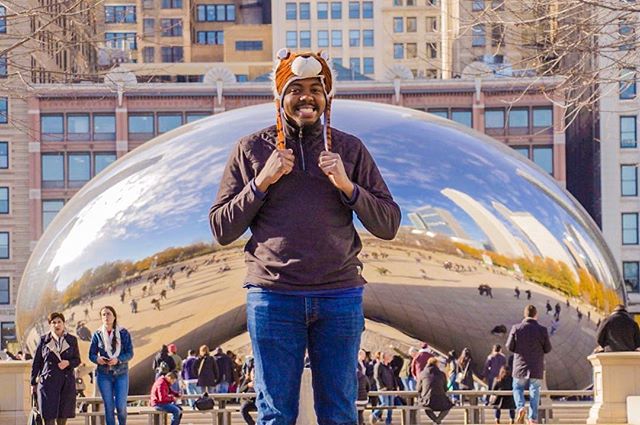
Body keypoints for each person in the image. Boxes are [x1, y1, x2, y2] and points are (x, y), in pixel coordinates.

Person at [208, 49, 400, 425]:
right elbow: (221, 228)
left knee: (340, 413)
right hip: (273, 297)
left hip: (339, 297)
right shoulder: (250, 149)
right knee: (276, 413)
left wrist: (348, 186)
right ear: (280, 96)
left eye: (317, 88)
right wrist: (262, 181)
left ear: (328, 96)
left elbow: (388, 223)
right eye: (296, 89)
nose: (307, 97)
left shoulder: (349, 149)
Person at [30, 312, 81, 425]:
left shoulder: (72, 340)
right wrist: (33, 383)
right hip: (47, 384)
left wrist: (68, 362)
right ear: (50, 325)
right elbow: (36, 363)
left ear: (63, 324)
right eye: (53, 322)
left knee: (62, 420)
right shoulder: (44, 340)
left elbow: (77, 360)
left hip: (66, 384)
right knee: (48, 419)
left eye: (59, 322)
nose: (57, 325)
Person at [506, 305, 552, 424]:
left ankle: (520, 407)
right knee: (535, 390)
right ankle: (532, 418)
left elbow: (509, 346)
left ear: (524, 314)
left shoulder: (516, 328)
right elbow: (548, 348)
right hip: (536, 367)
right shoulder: (542, 330)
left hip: (520, 366)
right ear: (536, 315)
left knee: (517, 388)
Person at [89, 306, 134, 425]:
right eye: (103, 315)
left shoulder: (124, 333)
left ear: (114, 316)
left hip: (121, 374)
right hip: (104, 375)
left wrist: (118, 360)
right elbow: (91, 355)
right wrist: (98, 359)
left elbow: (130, 353)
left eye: (108, 314)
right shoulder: (97, 334)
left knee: (120, 407)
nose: (106, 317)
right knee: (109, 408)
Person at [417, 357, 453, 425]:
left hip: (427, 399)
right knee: (448, 407)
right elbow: (445, 388)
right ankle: (438, 420)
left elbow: (418, 388)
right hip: (440, 399)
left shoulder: (422, 373)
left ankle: (436, 421)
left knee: (426, 408)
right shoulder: (442, 374)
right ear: (437, 364)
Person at [372, 352, 396, 425]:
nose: (390, 357)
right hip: (383, 389)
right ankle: (374, 415)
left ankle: (388, 421)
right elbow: (376, 377)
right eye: (388, 356)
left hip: (390, 388)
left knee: (391, 405)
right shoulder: (378, 365)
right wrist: (381, 387)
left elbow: (393, 377)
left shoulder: (389, 366)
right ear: (384, 357)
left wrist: (396, 386)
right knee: (384, 403)